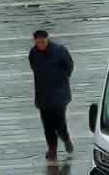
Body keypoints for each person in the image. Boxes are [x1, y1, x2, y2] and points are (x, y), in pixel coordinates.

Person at [28, 29, 76, 162]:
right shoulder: (33, 53)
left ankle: (66, 139)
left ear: (47, 39)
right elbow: (34, 67)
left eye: (43, 42)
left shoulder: (59, 51)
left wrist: (61, 80)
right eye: (38, 43)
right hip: (43, 95)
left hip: (59, 95)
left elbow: (69, 66)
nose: (41, 45)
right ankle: (52, 150)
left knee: (59, 123)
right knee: (47, 125)